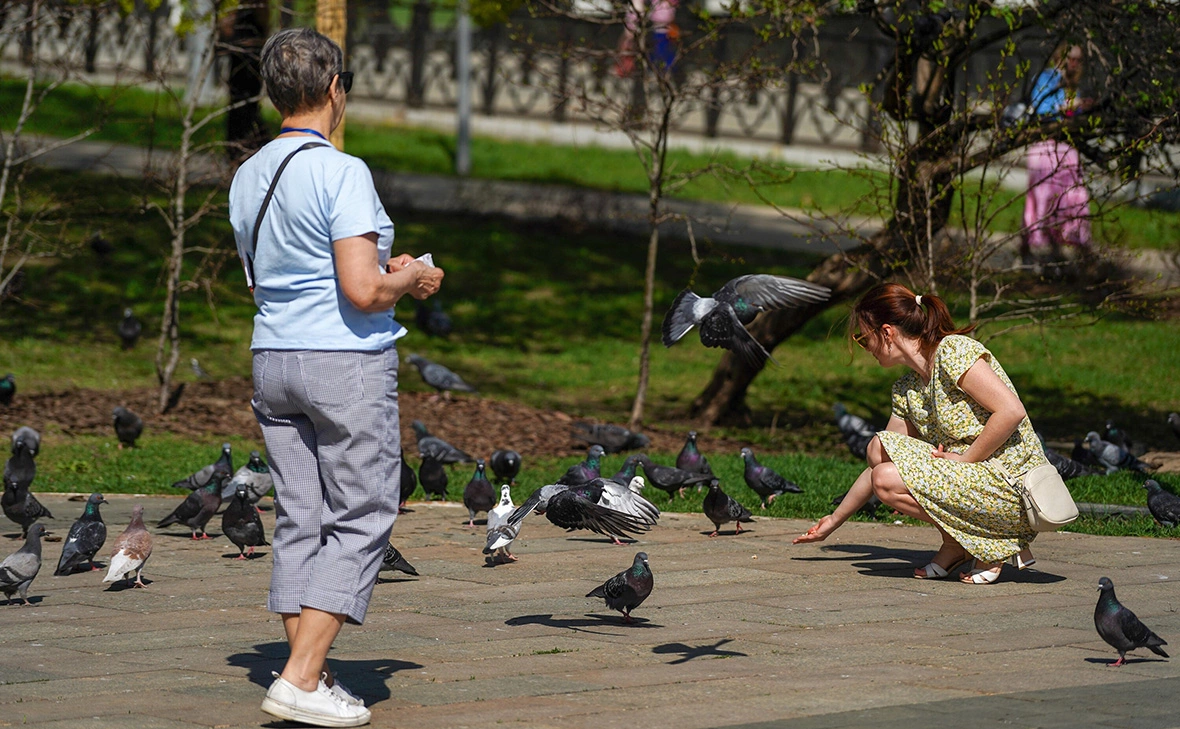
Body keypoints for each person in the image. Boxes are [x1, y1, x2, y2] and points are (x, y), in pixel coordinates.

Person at [228, 27, 444, 728]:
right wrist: (408, 276)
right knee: (365, 513)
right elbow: (359, 290)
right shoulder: (342, 172)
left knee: (301, 516)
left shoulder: (248, 173)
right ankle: (300, 674)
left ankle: (307, 675)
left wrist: (384, 274)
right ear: (333, 90)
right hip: (343, 365)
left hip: (273, 359)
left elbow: (272, 281)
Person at [794, 283, 1047, 585]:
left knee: (883, 468)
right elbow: (879, 463)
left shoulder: (953, 351)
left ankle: (993, 543)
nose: (867, 349)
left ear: (886, 333)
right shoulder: (907, 390)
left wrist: (964, 461)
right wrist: (834, 521)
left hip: (1012, 487)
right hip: (972, 483)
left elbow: (1011, 411)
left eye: (865, 339)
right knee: (880, 456)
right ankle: (957, 544)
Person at [1021, 42, 1093, 265]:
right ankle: (1036, 246)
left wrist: (1081, 108)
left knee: (1073, 195)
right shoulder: (1046, 80)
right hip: (1045, 146)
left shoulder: (1073, 86)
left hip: (1065, 147)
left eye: (1078, 60)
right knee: (1043, 198)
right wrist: (1063, 108)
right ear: (1060, 57)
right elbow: (1039, 108)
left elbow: (1071, 113)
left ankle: (1067, 244)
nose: (1074, 63)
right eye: (1070, 58)